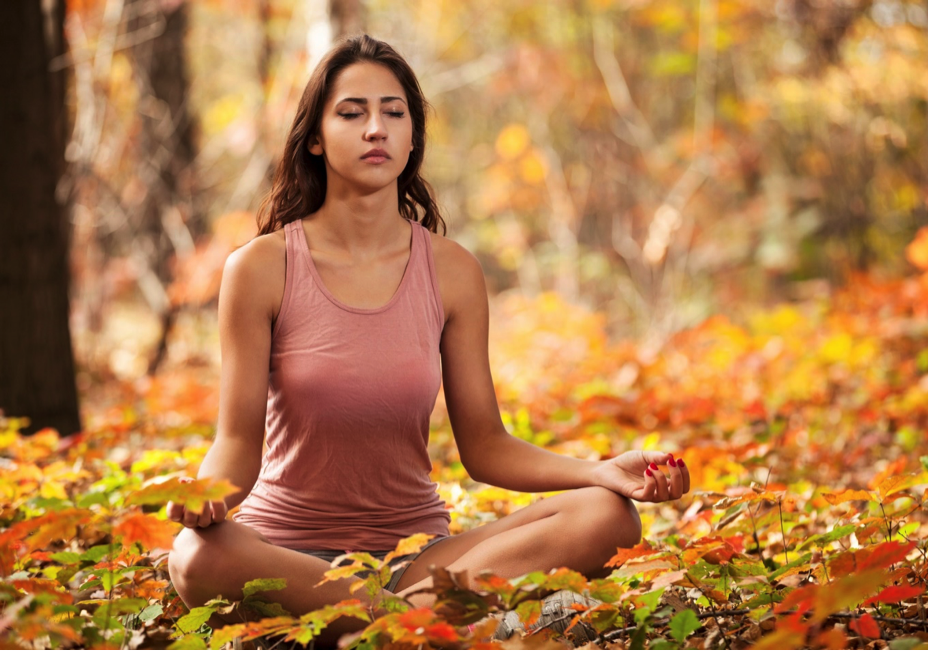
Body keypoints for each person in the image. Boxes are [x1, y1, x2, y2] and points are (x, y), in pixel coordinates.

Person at [166, 34, 691, 644]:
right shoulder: (259, 268)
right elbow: (235, 443)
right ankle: (413, 625)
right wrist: (205, 500)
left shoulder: (452, 270)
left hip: (419, 558)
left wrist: (603, 472)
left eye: (394, 112)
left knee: (607, 515)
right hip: (284, 556)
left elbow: (487, 446)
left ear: (413, 136)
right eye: (351, 112)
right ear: (314, 136)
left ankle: (381, 621)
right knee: (196, 557)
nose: (375, 130)